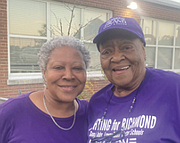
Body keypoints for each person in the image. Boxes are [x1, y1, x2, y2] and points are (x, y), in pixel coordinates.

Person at [87, 16, 180, 143]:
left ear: (143, 51)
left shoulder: (173, 87)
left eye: (126, 47)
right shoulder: (97, 102)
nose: (116, 57)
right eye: (107, 51)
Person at [0, 36, 91, 143]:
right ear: (44, 73)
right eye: (58, 67)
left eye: (77, 68)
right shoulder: (10, 113)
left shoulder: (93, 114)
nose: (68, 76)